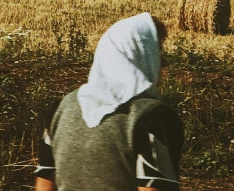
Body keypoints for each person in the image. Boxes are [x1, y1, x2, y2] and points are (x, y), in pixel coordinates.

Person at [34, 12, 182, 191]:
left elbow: (45, 184)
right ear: (143, 54)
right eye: (157, 51)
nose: (162, 61)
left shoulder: (63, 107)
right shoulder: (152, 116)